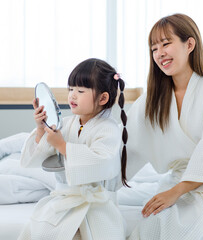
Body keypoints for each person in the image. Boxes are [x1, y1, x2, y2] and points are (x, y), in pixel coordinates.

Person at [125, 13, 203, 239]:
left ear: (189, 44)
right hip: (176, 184)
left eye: (166, 44)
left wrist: (175, 193)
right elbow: (128, 149)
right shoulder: (151, 101)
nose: (159, 53)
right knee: (151, 226)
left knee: (180, 228)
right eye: (154, 48)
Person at [17, 58, 128, 240]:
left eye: (80, 91)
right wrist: (40, 127)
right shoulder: (66, 124)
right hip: (65, 199)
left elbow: (101, 162)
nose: (72, 95)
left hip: (96, 205)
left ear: (103, 98)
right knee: (40, 230)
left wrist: (62, 145)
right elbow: (39, 156)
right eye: (70, 89)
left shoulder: (109, 129)